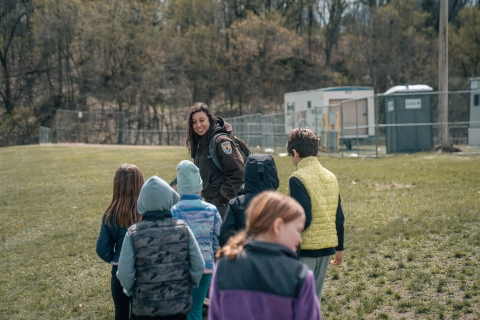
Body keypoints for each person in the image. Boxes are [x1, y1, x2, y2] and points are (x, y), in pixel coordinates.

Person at [209, 191, 321, 320]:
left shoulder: (224, 265)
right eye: (298, 230)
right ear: (278, 226)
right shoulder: (299, 275)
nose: (299, 239)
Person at [116, 175, 205, 320]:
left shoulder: (133, 233)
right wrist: (189, 286)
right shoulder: (184, 229)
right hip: (178, 307)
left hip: (144, 308)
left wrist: (133, 291)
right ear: (169, 199)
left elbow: (125, 273)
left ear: (142, 203)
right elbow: (198, 266)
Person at [286, 128, 345, 305]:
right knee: (314, 300)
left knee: (301, 301)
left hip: (305, 249)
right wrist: (339, 249)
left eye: (290, 155)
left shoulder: (296, 178)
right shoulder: (330, 176)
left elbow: (303, 218)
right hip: (327, 248)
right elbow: (339, 216)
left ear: (295, 153)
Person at [171, 160, 222, 320]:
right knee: (196, 310)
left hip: (181, 268)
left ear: (179, 187)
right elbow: (217, 241)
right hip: (205, 267)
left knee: (181, 310)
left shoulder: (173, 211)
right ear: (200, 186)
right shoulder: (211, 210)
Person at [96, 164, 144, 320]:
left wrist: (117, 258)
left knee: (121, 314)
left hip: (119, 273)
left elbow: (102, 250)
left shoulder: (111, 215)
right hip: (145, 271)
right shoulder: (147, 212)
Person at [185, 102, 244, 219]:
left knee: (224, 237)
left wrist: (222, 199)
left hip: (224, 205)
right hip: (210, 203)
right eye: (194, 122)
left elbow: (238, 173)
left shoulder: (221, 141)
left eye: (202, 120)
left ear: (210, 120)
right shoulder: (201, 143)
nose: (198, 125)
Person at [219, 154, 279, 246]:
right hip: (273, 256)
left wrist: (235, 253)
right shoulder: (281, 204)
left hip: (245, 255)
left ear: (247, 173)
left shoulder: (237, 203)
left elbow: (224, 236)